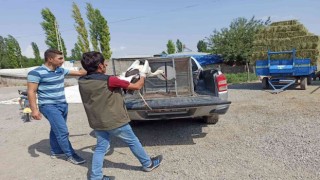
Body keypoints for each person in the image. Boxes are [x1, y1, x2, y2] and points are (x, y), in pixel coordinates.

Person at [78, 51, 162, 180]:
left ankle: (96, 177)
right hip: (115, 120)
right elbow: (137, 86)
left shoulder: (82, 81)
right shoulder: (110, 80)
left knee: (100, 148)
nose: (106, 64)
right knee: (133, 141)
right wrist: (143, 74)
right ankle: (148, 164)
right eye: (104, 62)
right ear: (100, 66)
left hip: (97, 121)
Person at [27, 49, 87, 165]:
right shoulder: (36, 73)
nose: (63, 61)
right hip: (48, 106)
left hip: (62, 104)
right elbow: (31, 91)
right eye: (60, 58)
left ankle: (56, 151)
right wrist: (34, 110)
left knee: (56, 129)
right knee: (62, 131)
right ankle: (71, 155)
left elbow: (80, 73)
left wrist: (94, 68)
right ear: (50, 59)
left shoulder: (60, 70)